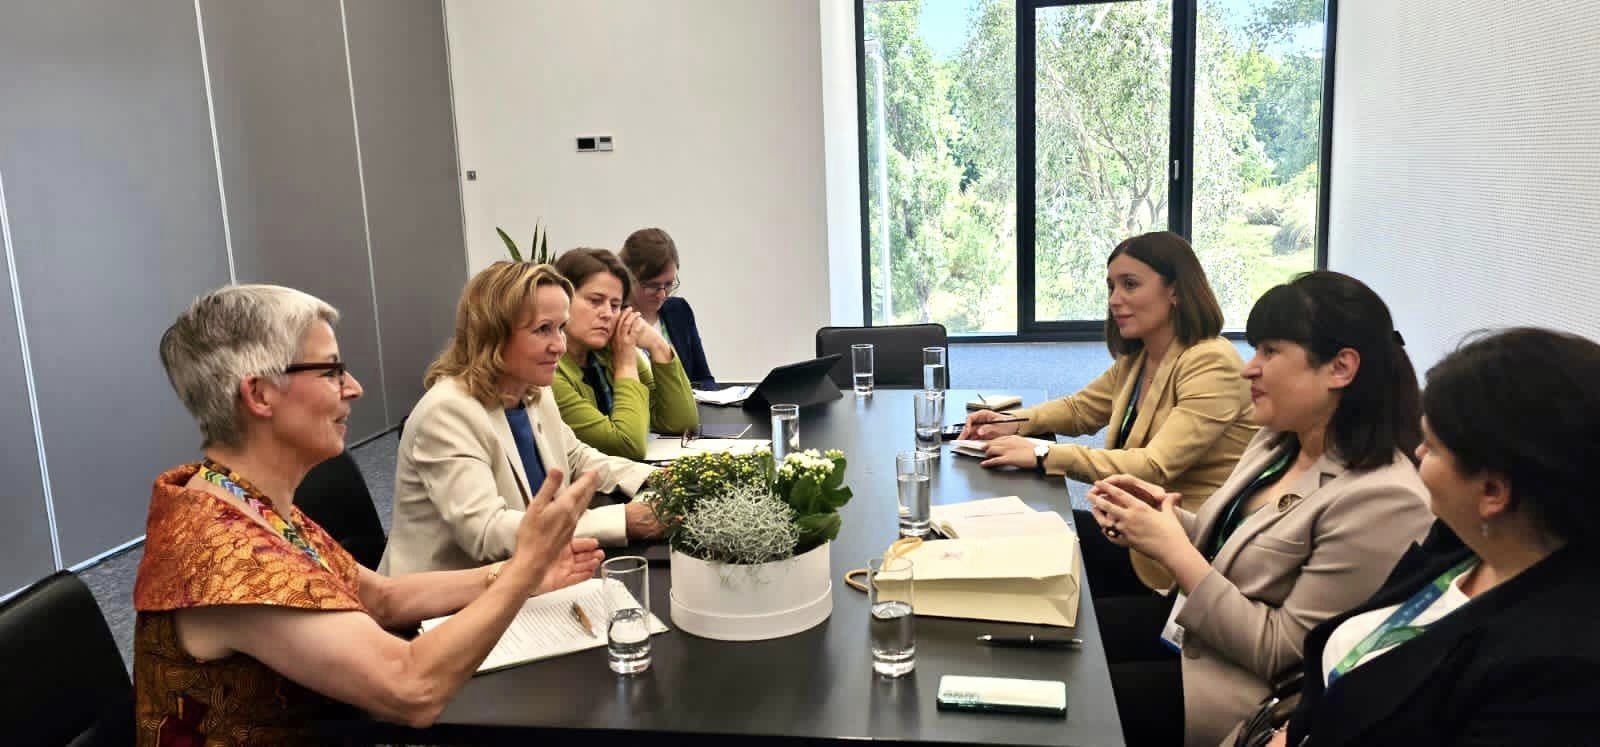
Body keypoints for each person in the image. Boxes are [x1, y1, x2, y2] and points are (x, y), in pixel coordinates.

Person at [135, 284, 604, 744]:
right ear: (260, 395)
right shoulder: (229, 555)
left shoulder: (236, 496)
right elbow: (412, 690)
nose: (354, 388)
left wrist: (520, 575)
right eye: (331, 372)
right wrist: (523, 570)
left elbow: (382, 598)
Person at [1086, 271, 1433, 746]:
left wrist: (1171, 548)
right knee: (1064, 644)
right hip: (1198, 636)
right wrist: (1157, 518)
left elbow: (1284, 654)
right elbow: (1231, 542)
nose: (1250, 369)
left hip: (1241, 695)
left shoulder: (1385, 498)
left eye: (1270, 352)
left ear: (1340, 368)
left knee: (1076, 702)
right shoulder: (1277, 440)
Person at [1265, 328, 1600, 747]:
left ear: (1492, 492)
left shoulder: (1562, 675)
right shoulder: (1462, 542)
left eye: (1432, 446)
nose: (1418, 455)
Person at [960, 231, 1257, 592]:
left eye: (1130, 284)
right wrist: (1013, 423)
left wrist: (1042, 454)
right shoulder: (1141, 355)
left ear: (1176, 291)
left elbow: (1153, 467)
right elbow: (1080, 410)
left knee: (1037, 580)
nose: (1115, 300)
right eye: (1112, 287)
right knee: (1017, 537)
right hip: (1132, 537)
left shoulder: (1211, 362)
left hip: (1182, 567)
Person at [381, 262, 663, 576]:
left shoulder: (532, 390)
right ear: (494, 334)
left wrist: (656, 478)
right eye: (543, 329)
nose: (559, 346)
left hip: (520, 574)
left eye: (561, 327)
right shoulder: (448, 412)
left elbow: (576, 457)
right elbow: (487, 531)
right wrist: (624, 520)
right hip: (448, 594)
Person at [551, 247, 699, 459]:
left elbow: (681, 423)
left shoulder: (613, 350)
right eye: (595, 301)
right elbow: (628, 446)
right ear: (562, 299)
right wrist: (626, 365)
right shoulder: (549, 371)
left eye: (615, 305)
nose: (607, 314)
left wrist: (658, 345)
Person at [620, 227, 715, 388]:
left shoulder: (679, 311)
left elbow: (704, 378)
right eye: (652, 286)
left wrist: (698, 395)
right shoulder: (614, 321)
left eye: (669, 284)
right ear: (629, 277)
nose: (662, 295)